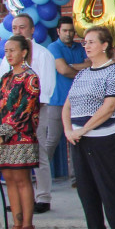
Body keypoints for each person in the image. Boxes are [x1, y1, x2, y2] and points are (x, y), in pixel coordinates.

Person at [63, 25, 115, 229]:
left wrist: (83, 130)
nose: (87, 46)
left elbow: (109, 107)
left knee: (106, 184)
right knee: (85, 186)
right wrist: (68, 130)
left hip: (106, 135)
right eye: (85, 42)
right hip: (78, 138)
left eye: (92, 42)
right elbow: (68, 104)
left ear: (105, 45)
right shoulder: (82, 74)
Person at [0, 35, 42, 229]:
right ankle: (16, 224)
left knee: (22, 180)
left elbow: (25, 109)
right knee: (9, 179)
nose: (8, 54)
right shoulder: (5, 78)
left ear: (24, 52)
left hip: (22, 136)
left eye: (13, 50)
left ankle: (28, 227)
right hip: (1, 138)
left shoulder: (30, 77)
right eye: (6, 50)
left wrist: (4, 131)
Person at [40, 15, 88, 210]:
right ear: (58, 31)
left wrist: (73, 67)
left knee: (77, 138)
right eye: (65, 31)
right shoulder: (53, 47)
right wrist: (80, 69)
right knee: (52, 138)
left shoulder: (79, 47)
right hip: (57, 100)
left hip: (78, 100)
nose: (68, 34)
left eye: (71, 31)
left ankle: (77, 177)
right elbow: (62, 71)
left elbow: (90, 65)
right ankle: (41, 176)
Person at [12, 14, 57, 213]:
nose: (18, 31)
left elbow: (46, 87)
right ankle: (22, 197)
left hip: (36, 110)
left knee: (38, 153)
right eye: (14, 28)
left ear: (31, 30)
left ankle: (43, 197)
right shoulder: (10, 55)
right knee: (17, 154)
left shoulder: (42, 54)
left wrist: (28, 109)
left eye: (22, 27)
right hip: (13, 114)